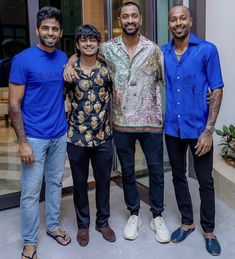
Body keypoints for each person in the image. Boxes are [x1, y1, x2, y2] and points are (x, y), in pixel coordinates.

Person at [64, 1, 170, 243]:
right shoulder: (107, 48)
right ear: (120, 21)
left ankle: (157, 215)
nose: (130, 20)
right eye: (125, 16)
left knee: (156, 171)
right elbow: (82, 52)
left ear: (140, 19)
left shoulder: (154, 50)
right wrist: (68, 64)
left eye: (134, 16)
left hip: (151, 123)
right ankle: (134, 213)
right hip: (121, 124)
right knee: (128, 172)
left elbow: (170, 80)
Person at [8, 6, 71, 259]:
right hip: (33, 136)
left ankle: (53, 226)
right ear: (37, 30)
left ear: (60, 31)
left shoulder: (63, 57)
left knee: (55, 183)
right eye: (45, 27)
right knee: (31, 191)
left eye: (55, 28)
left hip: (58, 134)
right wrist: (22, 143)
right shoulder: (23, 59)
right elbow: (13, 104)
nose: (50, 32)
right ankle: (30, 241)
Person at [161, 5, 223, 256]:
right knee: (177, 176)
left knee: (205, 180)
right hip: (172, 128)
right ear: (169, 24)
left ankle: (209, 230)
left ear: (190, 21)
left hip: (199, 129)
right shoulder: (162, 52)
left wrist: (209, 130)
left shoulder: (207, 50)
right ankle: (187, 222)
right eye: (173, 19)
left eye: (182, 18)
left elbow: (217, 89)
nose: (178, 23)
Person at [65, 24, 116, 247]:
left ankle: (102, 222)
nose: (88, 43)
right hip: (76, 137)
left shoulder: (107, 69)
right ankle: (83, 225)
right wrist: (68, 62)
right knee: (79, 184)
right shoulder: (69, 70)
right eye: (84, 40)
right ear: (77, 44)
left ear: (98, 43)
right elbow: (61, 99)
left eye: (92, 40)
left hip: (103, 136)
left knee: (104, 182)